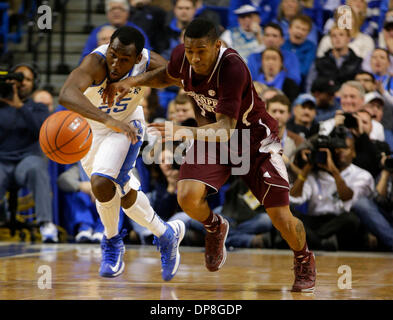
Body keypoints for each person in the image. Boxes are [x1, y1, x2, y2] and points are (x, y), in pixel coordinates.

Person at [103, 18, 317, 292]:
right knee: (187, 197)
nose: (194, 57)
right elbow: (167, 76)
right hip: (210, 137)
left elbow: (227, 128)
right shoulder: (184, 56)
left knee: (280, 216)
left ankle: (303, 258)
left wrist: (181, 131)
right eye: (189, 50)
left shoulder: (232, 67)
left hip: (254, 141)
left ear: (217, 45)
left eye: (201, 51)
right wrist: (133, 82)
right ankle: (215, 227)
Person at [58, 26, 185, 281]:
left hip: (127, 127)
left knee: (101, 181)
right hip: (94, 129)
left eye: (124, 59)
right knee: (122, 193)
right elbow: (66, 94)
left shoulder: (147, 61)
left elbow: (179, 77)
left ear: (138, 58)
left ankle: (112, 241)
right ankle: (166, 234)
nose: (115, 63)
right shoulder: (96, 62)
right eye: (113, 54)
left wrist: (134, 81)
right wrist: (107, 120)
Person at [0, 63, 58, 243]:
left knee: (37, 168)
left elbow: (41, 131)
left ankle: (46, 223)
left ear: (34, 83)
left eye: (28, 79)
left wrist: (20, 106)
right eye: (19, 78)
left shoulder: (38, 108)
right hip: (2, 161)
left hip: (27, 160)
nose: (23, 82)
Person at [290, 134, 375, 251]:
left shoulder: (361, 175)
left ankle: (314, 241)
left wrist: (334, 171)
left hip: (338, 221)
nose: (340, 152)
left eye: (345, 148)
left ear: (354, 153)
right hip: (313, 220)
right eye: (336, 150)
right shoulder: (314, 173)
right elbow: (294, 197)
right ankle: (320, 242)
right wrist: (307, 167)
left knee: (351, 219)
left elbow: (347, 198)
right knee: (288, 215)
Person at [79, 0, 151, 63]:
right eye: (112, 9)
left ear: (127, 13)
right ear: (107, 13)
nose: (116, 12)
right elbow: (85, 57)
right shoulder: (98, 31)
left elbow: (146, 56)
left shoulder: (137, 32)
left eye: (120, 8)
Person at [352, 154, 393, 251]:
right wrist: (385, 172)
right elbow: (378, 199)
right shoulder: (385, 174)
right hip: (386, 220)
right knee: (361, 203)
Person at [306, 25, 363, 93]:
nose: (337, 38)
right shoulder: (319, 62)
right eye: (333, 36)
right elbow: (309, 85)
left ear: (348, 38)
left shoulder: (358, 62)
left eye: (341, 35)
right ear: (330, 40)